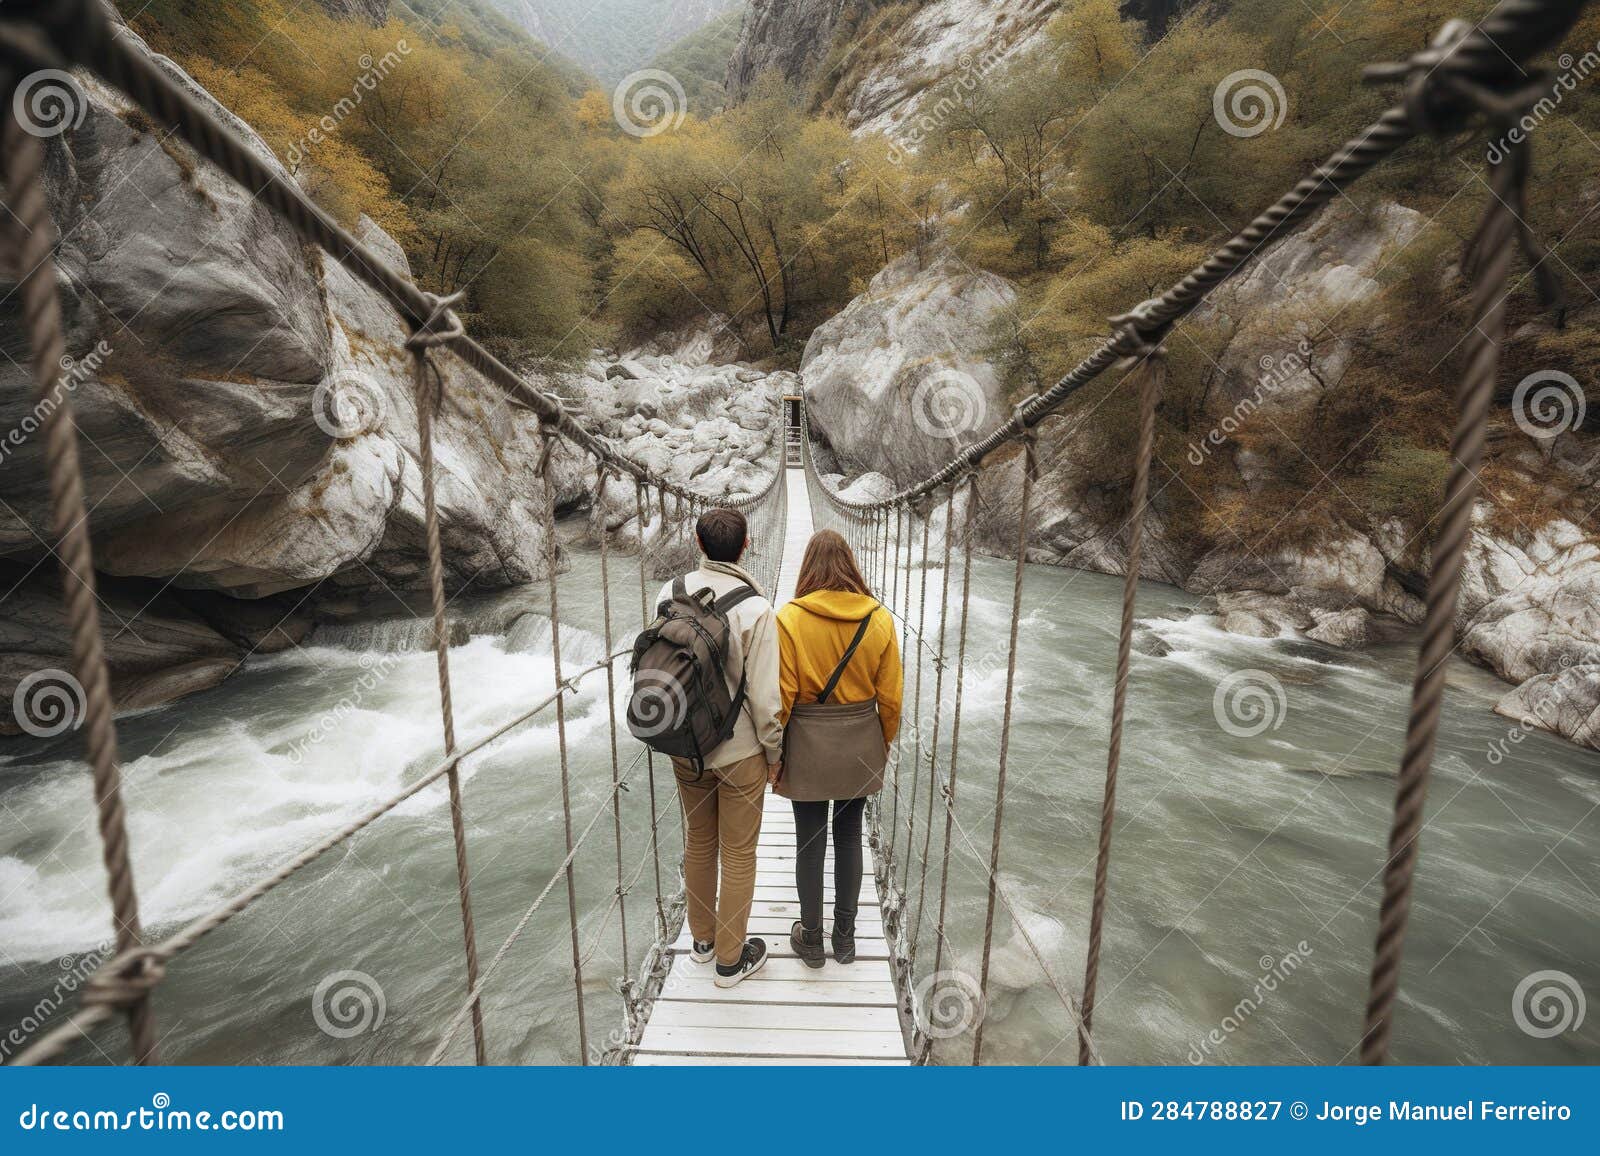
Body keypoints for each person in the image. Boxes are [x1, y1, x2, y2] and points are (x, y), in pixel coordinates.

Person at [657, 507, 783, 988]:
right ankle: (732, 960)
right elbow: (766, 699)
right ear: (747, 545)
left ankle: (703, 942)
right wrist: (774, 755)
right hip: (740, 753)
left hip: (684, 746)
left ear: (698, 541)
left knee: (699, 842)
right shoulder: (757, 609)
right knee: (739, 853)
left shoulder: (668, 594)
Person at [774, 530, 902, 967]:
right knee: (849, 836)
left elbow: (783, 696)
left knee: (809, 842)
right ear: (851, 565)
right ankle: (844, 937)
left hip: (807, 743)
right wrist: (881, 742)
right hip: (860, 743)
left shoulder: (789, 619)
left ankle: (811, 939)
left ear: (808, 567)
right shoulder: (880, 619)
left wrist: (775, 755)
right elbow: (891, 699)